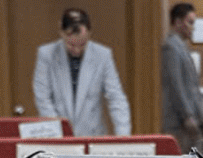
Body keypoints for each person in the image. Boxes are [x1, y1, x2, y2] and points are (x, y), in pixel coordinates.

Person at [32, 7, 131, 137]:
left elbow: (116, 97)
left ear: (89, 34)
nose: (77, 50)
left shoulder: (103, 55)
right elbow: (43, 98)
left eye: (82, 44)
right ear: (61, 32)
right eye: (71, 45)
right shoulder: (46, 55)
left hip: (93, 135)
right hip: (59, 135)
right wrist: (57, 132)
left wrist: (123, 136)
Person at [160, 1, 203, 152]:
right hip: (180, 121)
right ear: (178, 22)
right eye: (190, 22)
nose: (192, 28)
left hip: (190, 119)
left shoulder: (181, 46)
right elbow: (176, 85)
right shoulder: (171, 47)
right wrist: (188, 116)